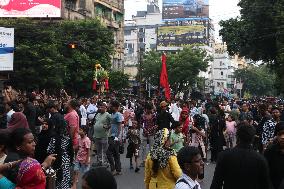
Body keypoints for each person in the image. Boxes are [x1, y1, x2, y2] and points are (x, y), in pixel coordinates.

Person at [210, 123, 271, 189]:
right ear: (253, 139)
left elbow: (216, 183)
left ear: (237, 137)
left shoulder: (224, 156)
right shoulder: (260, 159)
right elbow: (265, 185)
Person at [47, 115, 74, 189]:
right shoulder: (68, 137)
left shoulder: (54, 138)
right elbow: (71, 151)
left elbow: (49, 150)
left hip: (56, 161)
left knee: (57, 180)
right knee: (65, 179)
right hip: (66, 161)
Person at [264, 121, 284, 189]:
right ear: (276, 135)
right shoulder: (269, 151)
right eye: (280, 134)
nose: (283, 137)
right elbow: (265, 174)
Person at [107, 101, 123, 175]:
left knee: (109, 152)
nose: (110, 107)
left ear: (115, 107)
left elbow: (120, 126)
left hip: (115, 136)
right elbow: (112, 124)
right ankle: (118, 170)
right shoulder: (112, 114)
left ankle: (113, 169)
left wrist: (119, 137)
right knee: (116, 153)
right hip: (110, 135)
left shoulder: (118, 114)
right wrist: (107, 127)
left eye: (111, 106)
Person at [93, 101, 111, 166]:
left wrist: (107, 127)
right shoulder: (97, 114)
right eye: (99, 107)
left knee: (105, 150)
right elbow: (95, 122)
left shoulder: (108, 115)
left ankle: (106, 162)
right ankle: (100, 161)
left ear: (105, 108)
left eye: (102, 107)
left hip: (104, 135)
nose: (100, 108)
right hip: (97, 135)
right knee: (98, 150)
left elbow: (111, 124)